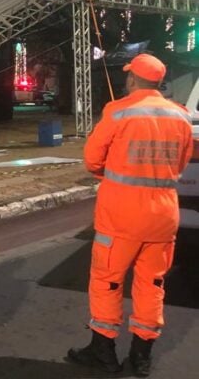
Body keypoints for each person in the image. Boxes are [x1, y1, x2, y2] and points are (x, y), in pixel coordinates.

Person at [68, 53, 193, 377]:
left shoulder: (119, 111)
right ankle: (140, 358)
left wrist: (110, 173)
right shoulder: (180, 116)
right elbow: (179, 166)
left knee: (107, 281)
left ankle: (103, 351)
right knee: (152, 284)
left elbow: (93, 159)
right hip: (163, 216)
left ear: (133, 79)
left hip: (121, 216)